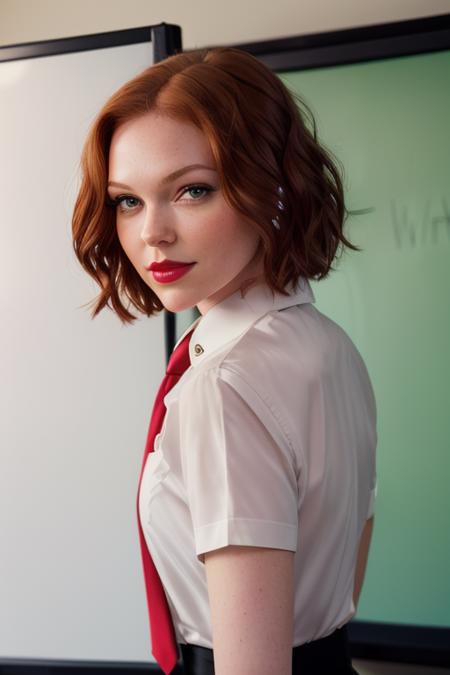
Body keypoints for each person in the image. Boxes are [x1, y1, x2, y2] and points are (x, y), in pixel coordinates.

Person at [71, 46, 377, 675]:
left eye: (192, 190)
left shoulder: (225, 384)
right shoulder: (330, 344)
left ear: (271, 185)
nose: (152, 231)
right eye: (127, 200)